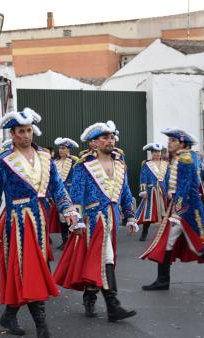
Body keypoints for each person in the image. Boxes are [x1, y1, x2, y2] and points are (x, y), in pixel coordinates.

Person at [0, 107, 80, 338]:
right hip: (17, 221)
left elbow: (57, 187)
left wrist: (69, 210)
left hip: (41, 220)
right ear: (12, 134)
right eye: (20, 132)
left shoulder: (46, 157)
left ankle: (9, 315)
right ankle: (42, 327)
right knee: (31, 270)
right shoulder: (4, 161)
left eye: (28, 130)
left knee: (32, 270)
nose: (26, 135)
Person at [54, 121, 137, 322]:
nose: (110, 141)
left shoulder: (120, 164)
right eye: (105, 138)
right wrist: (77, 220)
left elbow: (125, 192)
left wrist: (131, 215)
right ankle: (113, 305)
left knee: (100, 260)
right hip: (93, 221)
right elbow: (76, 196)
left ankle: (90, 295)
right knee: (106, 257)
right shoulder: (83, 166)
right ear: (94, 143)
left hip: (113, 219)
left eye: (111, 137)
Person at [140, 128, 204, 293]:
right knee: (169, 242)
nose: (168, 143)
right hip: (181, 207)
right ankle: (163, 280)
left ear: (182, 143)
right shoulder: (181, 157)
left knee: (200, 246)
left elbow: (183, 187)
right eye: (169, 140)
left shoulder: (185, 158)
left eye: (172, 141)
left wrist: (177, 212)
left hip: (188, 209)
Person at [136, 143, 168, 242]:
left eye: (158, 152)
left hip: (163, 192)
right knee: (148, 213)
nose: (157, 154)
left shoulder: (166, 164)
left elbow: (168, 178)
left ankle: (164, 234)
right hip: (151, 192)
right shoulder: (146, 165)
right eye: (155, 152)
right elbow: (143, 178)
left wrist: (170, 190)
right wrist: (143, 191)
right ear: (151, 153)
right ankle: (144, 232)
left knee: (165, 214)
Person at [53, 137, 80, 250]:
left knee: (73, 216)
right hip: (59, 195)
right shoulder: (55, 162)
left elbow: (77, 179)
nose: (61, 150)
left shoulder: (75, 162)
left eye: (63, 148)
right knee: (62, 218)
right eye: (60, 148)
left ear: (68, 150)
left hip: (71, 193)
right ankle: (65, 240)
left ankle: (74, 240)